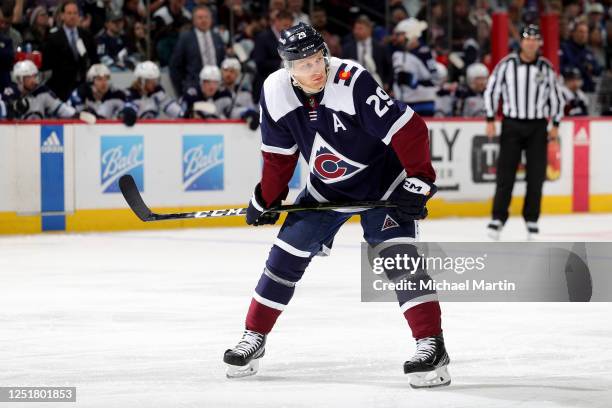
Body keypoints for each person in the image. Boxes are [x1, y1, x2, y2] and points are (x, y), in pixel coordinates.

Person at [222, 22, 450, 389]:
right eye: (302, 65)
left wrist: (419, 181)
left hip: (382, 185)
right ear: (288, 68)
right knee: (283, 258)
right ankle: (254, 337)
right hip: (327, 190)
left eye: (317, 60)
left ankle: (431, 345)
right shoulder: (275, 91)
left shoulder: (352, 81)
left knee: (400, 261)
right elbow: (279, 157)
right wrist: (265, 198)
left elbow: (410, 130)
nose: (313, 70)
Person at [484, 25, 564, 240]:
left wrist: (555, 123)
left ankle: (531, 219)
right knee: (505, 174)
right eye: (527, 39)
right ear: (521, 41)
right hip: (512, 124)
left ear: (539, 43)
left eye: (535, 39)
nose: (531, 43)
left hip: (538, 126)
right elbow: (492, 90)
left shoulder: (546, 68)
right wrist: (490, 118)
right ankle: (498, 218)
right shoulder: (507, 65)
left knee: (536, 176)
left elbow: (557, 97)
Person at [42, 0, 98, 101]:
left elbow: (94, 59)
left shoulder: (86, 35)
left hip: (82, 86)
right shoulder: (53, 38)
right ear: (62, 16)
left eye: (75, 13)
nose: (72, 16)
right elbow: (47, 64)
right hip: (60, 87)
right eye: (69, 13)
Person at [169, 5, 225, 95]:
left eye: (206, 17)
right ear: (194, 21)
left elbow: (222, 61)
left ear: (211, 19)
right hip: (194, 87)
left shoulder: (217, 37)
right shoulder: (185, 38)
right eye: (200, 18)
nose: (204, 20)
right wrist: (182, 90)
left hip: (217, 85)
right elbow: (175, 66)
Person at [391, 18, 439, 116]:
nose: (397, 38)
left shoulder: (424, 53)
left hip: (423, 103)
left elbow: (435, 78)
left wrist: (411, 80)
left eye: (400, 34)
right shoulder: (397, 53)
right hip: (404, 103)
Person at [3, 60, 76, 119]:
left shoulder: (42, 92)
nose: (34, 81)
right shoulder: (10, 92)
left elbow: (61, 109)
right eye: (29, 77)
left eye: (34, 76)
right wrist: (13, 106)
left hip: (39, 134)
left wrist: (75, 114)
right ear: (19, 79)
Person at [251, 9, 293, 104]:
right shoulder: (262, 37)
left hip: (285, 87)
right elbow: (260, 63)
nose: (288, 29)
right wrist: (282, 64)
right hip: (266, 84)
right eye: (285, 25)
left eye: (290, 26)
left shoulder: (291, 39)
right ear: (276, 22)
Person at [122, 60, 183, 126]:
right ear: (142, 81)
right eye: (152, 81)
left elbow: (171, 107)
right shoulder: (130, 93)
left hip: (151, 131)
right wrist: (129, 112)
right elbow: (128, 109)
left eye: (156, 80)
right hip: (135, 132)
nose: (155, 83)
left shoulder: (156, 92)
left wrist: (183, 114)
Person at [342, 15, 391, 90]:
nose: (356, 31)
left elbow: (388, 67)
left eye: (360, 28)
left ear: (369, 29)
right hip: (354, 88)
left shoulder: (380, 47)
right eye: (355, 28)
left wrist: (387, 83)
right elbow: (343, 69)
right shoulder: (347, 48)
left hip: (376, 87)